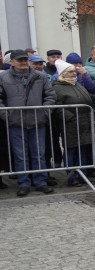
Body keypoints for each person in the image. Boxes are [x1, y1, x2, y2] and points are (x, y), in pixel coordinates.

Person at [0, 50, 56, 195]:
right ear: (11, 62)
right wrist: (6, 114)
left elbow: (50, 96)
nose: (24, 62)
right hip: (15, 123)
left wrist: (45, 112)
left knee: (39, 154)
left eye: (25, 59)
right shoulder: (3, 77)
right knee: (20, 155)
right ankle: (23, 183)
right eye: (20, 60)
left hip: (38, 121)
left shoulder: (40, 76)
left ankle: (40, 182)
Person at [51, 60, 95, 186]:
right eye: (70, 72)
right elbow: (57, 106)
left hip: (84, 122)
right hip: (70, 123)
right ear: (63, 74)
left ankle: (83, 174)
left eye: (74, 71)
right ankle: (71, 177)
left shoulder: (77, 85)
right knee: (71, 150)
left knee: (82, 150)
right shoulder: (57, 87)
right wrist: (70, 117)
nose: (74, 74)